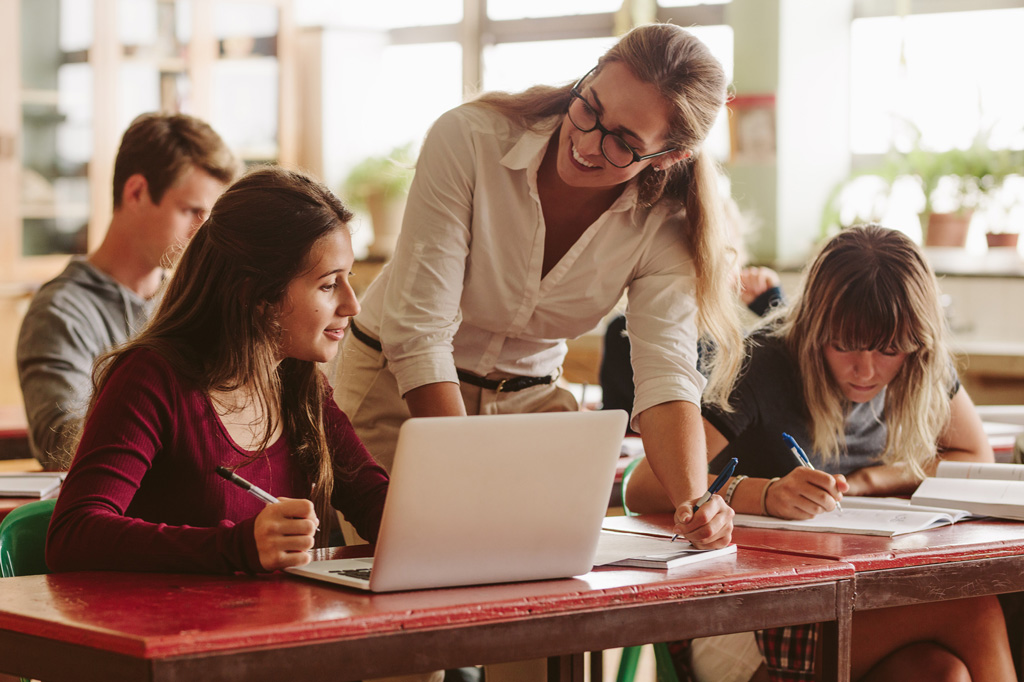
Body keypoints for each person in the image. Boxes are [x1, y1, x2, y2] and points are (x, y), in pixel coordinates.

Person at [336, 23, 743, 550]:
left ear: (667, 158)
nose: (587, 144)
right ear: (589, 75)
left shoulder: (668, 223)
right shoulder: (470, 139)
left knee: (539, 580)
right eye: (590, 107)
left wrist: (695, 504)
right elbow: (418, 333)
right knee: (405, 568)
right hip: (398, 391)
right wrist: (457, 471)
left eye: (623, 142)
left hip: (526, 408)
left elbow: (666, 375)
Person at [626, 224, 1014, 682]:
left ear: (917, 343)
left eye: (888, 350)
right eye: (844, 345)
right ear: (813, 330)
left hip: (852, 597)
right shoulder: (762, 363)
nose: (865, 370)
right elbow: (642, 486)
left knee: (941, 672)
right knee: (972, 612)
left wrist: (871, 479)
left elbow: (972, 454)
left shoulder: (919, 360)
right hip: (741, 617)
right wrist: (763, 495)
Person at [46, 167, 389, 577]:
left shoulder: (300, 384)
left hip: (271, 615)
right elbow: (72, 536)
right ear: (255, 292)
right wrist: (236, 546)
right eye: (329, 285)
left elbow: (374, 501)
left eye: (348, 279)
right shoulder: (150, 378)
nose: (353, 305)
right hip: (168, 617)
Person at [17, 112, 240, 470]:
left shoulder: (194, 301)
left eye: (209, 217)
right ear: (136, 192)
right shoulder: (59, 312)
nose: (203, 232)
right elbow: (62, 446)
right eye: (191, 211)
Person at [601, 196, 783, 421]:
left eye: (719, 253)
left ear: (737, 263)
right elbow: (617, 420)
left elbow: (790, 388)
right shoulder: (623, 334)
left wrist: (774, 308)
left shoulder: (739, 345)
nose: (698, 265)